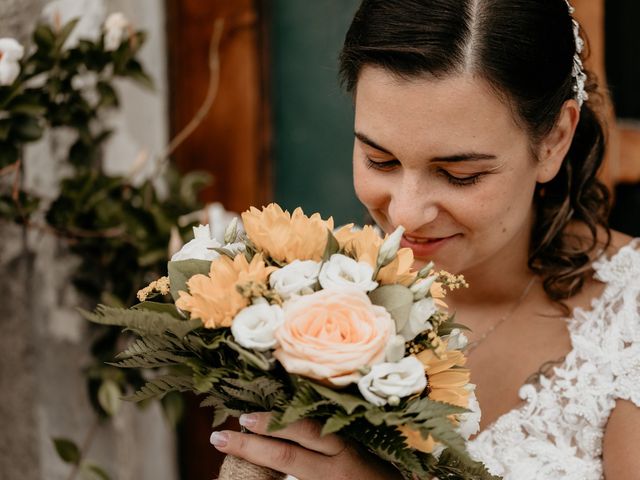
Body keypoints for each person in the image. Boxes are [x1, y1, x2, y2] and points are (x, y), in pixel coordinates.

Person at [208, 0, 640, 478]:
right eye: (380, 160)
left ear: (554, 140)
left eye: (459, 174)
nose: (405, 214)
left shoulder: (627, 316)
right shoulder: (304, 289)